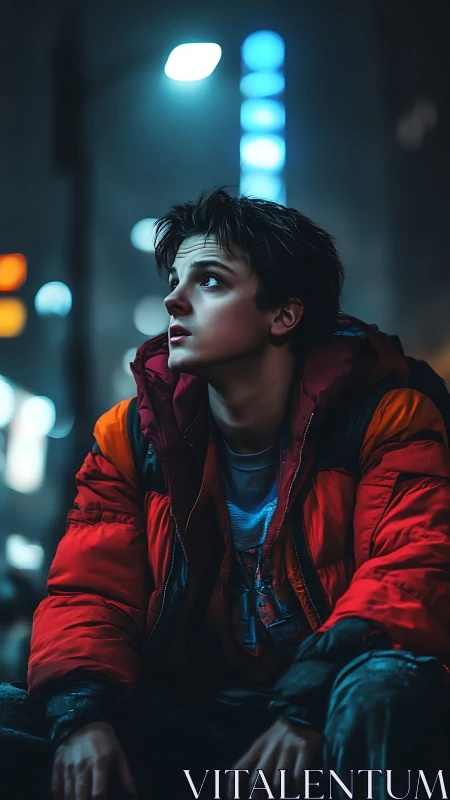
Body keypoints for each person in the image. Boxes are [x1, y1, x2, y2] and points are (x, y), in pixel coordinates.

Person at [2, 188, 450, 800]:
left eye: (209, 281)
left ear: (283, 315)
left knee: (385, 692)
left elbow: (415, 570)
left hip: (325, 712)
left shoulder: (384, 419)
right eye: (174, 278)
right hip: (190, 717)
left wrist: (308, 706)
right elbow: (90, 591)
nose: (173, 299)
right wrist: (86, 718)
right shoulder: (131, 437)